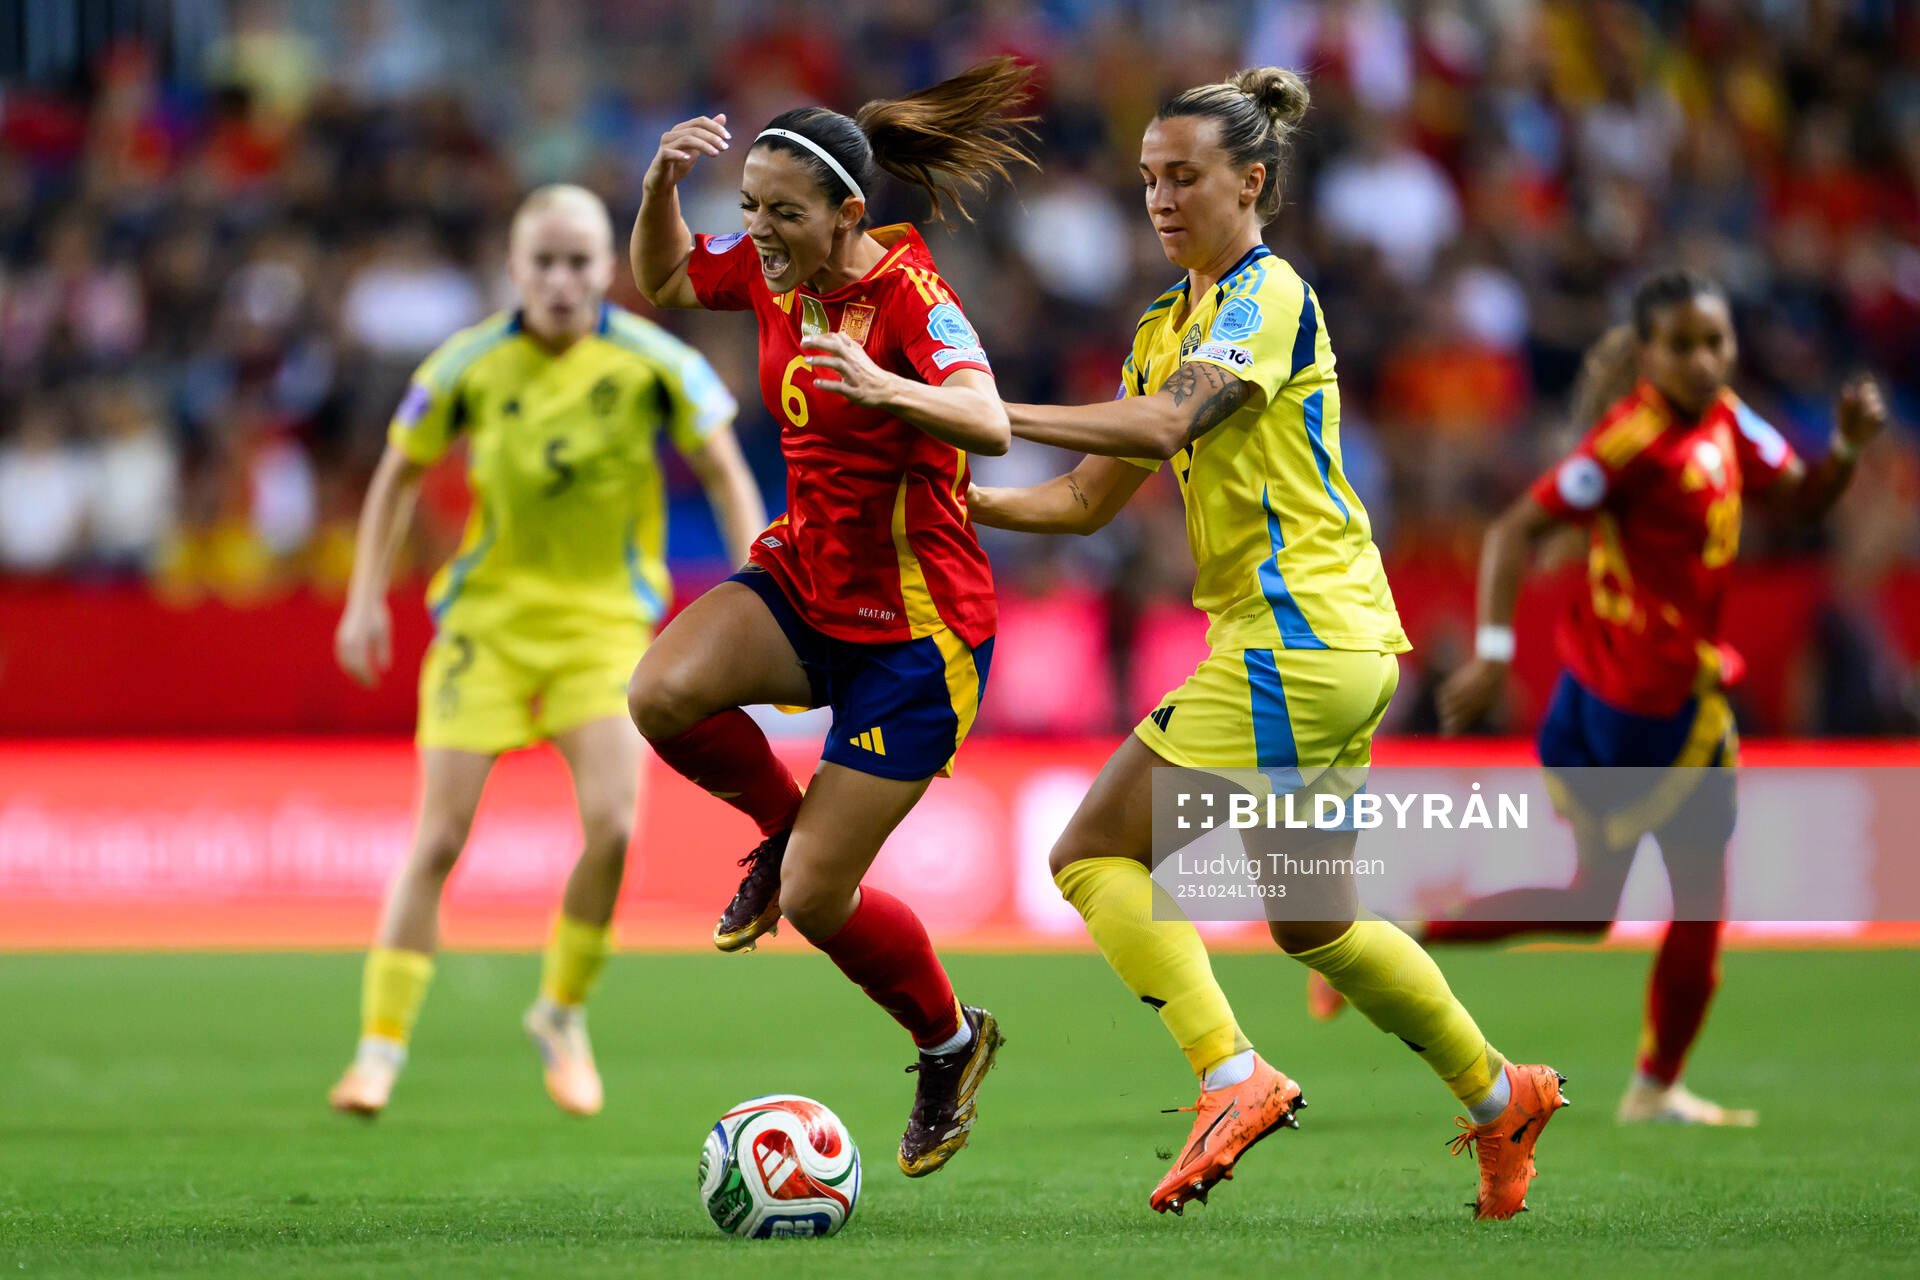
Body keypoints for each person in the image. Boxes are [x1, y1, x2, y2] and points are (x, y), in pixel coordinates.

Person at [968, 67, 1565, 1220]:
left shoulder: (1266, 293)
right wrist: (962, 496)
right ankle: (1504, 1095)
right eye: (1147, 179)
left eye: (1182, 176)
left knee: (1092, 850)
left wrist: (979, 412)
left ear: (1251, 180)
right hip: (1325, 644)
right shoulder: (1163, 324)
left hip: (1297, 641)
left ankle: (1232, 1073)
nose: (1158, 198)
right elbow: (1095, 498)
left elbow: (1166, 423)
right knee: (1316, 919)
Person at [1317, 271, 1885, 1127]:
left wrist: (1842, 450)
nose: (1705, 360)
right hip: (1637, 710)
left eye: (1716, 342)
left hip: (1631, 695)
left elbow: (1801, 498)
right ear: (1647, 353)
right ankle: (1655, 1088)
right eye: (1684, 345)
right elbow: (1515, 529)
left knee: (1587, 905)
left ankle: (1402, 928)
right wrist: (1494, 653)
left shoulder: (1730, 420)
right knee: (1694, 900)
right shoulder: (1630, 444)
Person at [626, 58, 1033, 1177]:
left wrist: (888, 386)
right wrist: (662, 185)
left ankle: (950, 1040)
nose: (756, 230)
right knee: (660, 692)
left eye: (781, 212)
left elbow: (988, 419)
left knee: (817, 896)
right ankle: (776, 829)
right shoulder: (775, 274)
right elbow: (664, 278)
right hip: (809, 580)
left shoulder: (914, 300)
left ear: (850, 213)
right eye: (747, 207)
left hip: (918, 632)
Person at [326, 185, 765, 1119]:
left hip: (603, 631)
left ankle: (560, 1014)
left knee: (612, 827)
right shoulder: (468, 365)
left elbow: (727, 471)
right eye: (545, 263)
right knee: (437, 839)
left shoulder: (653, 360)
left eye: (581, 262)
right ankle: (379, 1048)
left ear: (608, 268)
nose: (564, 280)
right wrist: (366, 598)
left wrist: (759, 583)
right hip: (485, 627)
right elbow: (397, 472)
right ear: (515, 271)